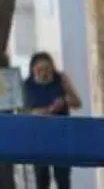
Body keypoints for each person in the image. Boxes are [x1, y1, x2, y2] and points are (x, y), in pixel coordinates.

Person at [23, 52, 81, 189]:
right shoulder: (28, 85)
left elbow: (77, 102)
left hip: (61, 135)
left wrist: (65, 97)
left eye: (47, 69)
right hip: (39, 137)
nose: (44, 73)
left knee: (62, 177)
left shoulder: (59, 80)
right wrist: (49, 110)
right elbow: (27, 111)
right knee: (42, 178)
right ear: (33, 69)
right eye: (39, 70)